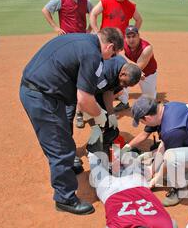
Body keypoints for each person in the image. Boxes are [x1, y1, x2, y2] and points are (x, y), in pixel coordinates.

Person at [19, 28, 124, 215]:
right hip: (41, 96)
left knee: (61, 137)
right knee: (61, 148)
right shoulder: (93, 54)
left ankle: (66, 168)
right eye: (113, 54)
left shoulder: (83, 39)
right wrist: (101, 115)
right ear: (109, 46)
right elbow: (84, 99)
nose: (110, 58)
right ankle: (65, 199)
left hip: (45, 91)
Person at [131, 97, 188, 206]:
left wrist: (155, 180)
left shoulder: (171, 128)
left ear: (147, 118)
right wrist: (152, 169)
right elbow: (164, 143)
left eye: (142, 121)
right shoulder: (168, 108)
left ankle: (181, 189)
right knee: (164, 171)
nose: (143, 124)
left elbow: (168, 155)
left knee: (171, 161)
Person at [42, 0, 94, 130]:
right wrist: (55, 27)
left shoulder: (86, 1)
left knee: (81, 75)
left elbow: (94, 14)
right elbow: (45, 10)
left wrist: (89, 30)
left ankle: (79, 112)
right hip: (66, 42)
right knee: (65, 73)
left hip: (82, 41)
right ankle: (61, 105)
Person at [115, 25, 158, 112]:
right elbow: (119, 56)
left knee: (149, 102)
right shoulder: (122, 44)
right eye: (128, 37)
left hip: (147, 74)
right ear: (125, 38)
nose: (131, 39)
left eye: (134, 36)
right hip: (129, 71)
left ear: (139, 36)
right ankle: (124, 102)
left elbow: (137, 69)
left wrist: (122, 56)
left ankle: (152, 93)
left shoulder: (147, 48)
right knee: (122, 78)